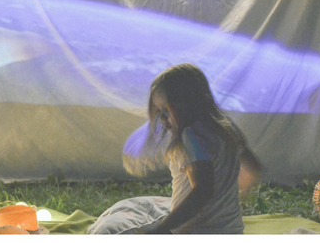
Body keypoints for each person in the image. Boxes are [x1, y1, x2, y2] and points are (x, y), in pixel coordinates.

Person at [88, 63, 262, 234]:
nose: (162, 118)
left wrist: (162, 228)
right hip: (232, 231)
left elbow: (203, 191)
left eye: (167, 109)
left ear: (188, 103)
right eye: (159, 110)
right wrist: (228, 200)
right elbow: (253, 168)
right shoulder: (226, 128)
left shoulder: (192, 136)